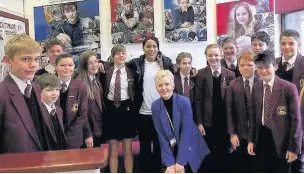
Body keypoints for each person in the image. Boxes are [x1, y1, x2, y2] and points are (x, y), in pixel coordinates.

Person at [247, 50, 302, 172]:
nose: (263, 71)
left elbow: (296, 120)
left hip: (282, 141)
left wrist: (294, 148)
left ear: (275, 66)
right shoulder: (256, 87)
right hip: (261, 138)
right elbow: (253, 117)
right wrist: (251, 140)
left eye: (267, 67)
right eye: (260, 67)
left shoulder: (288, 88)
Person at [126, 36, 174, 172]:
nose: (151, 49)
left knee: (161, 145)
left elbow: (174, 79)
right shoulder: (136, 63)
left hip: (162, 111)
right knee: (145, 146)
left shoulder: (166, 62)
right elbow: (119, 64)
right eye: (148, 46)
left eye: (154, 46)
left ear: (158, 48)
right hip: (144, 112)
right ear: (143, 48)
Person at [0, 34, 55, 153]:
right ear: (8, 61)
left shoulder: (35, 87)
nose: (33, 65)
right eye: (25, 59)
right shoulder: (2, 95)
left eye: (36, 59)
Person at [151, 70, 209, 173]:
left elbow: (186, 132)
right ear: (156, 88)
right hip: (171, 148)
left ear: (173, 86)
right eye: (160, 85)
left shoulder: (184, 102)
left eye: (167, 84)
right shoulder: (155, 106)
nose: (164, 88)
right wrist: (170, 163)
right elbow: (162, 137)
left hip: (190, 146)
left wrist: (181, 162)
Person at [195, 44, 235, 172]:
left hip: (224, 120)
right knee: (208, 152)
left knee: (224, 150)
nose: (214, 58)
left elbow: (233, 101)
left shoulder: (230, 74)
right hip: (208, 121)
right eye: (210, 55)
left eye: (216, 55)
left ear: (222, 55)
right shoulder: (201, 74)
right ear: (206, 57)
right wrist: (199, 122)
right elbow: (198, 100)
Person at [100, 45, 136, 173]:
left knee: (128, 150)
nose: (121, 55)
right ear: (112, 56)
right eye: (118, 54)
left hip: (126, 111)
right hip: (110, 111)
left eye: (123, 53)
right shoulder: (105, 70)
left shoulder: (132, 71)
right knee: (113, 149)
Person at [275, 29, 304, 172]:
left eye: (291, 43)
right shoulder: (272, 65)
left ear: (298, 44)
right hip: (276, 125)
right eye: (283, 43)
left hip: (299, 124)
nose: (286, 47)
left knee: (297, 165)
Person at [226, 52, 259, 172]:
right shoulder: (233, 84)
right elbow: (229, 111)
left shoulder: (261, 83)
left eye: (249, 64)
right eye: (242, 65)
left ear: (255, 66)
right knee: (243, 164)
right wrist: (232, 133)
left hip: (258, 133)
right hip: (240, 132)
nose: (245, 67)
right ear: (238, 66)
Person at [54, 52, 90, 149]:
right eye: (62, 65)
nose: (67, 68)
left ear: (74, 66)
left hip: (74, 135)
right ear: (56, 66)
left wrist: (72, 134)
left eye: (70, 65)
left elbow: (82, 114)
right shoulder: (48, 85)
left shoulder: (81, 86)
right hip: (53, 135)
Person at [75, 50, 103, 148]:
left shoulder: (95, 79)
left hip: (97, 128)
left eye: (95, 62)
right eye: (90, 63)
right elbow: (80, 113)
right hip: (88, 133)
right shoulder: (80, 83)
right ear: (84, 65)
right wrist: (88, 134)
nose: (94, 65)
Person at [36, 74, 67, 150]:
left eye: (57, 89)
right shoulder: (37, 112)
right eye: (49, 90)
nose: (54, 93)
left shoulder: (59, 110)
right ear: (38, 91)